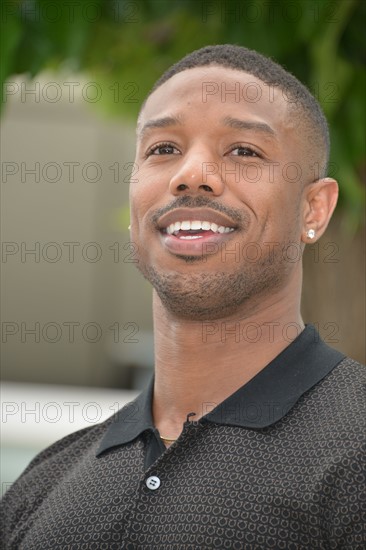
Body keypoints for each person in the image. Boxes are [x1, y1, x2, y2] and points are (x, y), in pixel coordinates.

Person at [1, 44, 365, 549]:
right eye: (163, 149)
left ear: (315, 209)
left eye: (243, 151)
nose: (190, 174)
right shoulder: (41, 486)